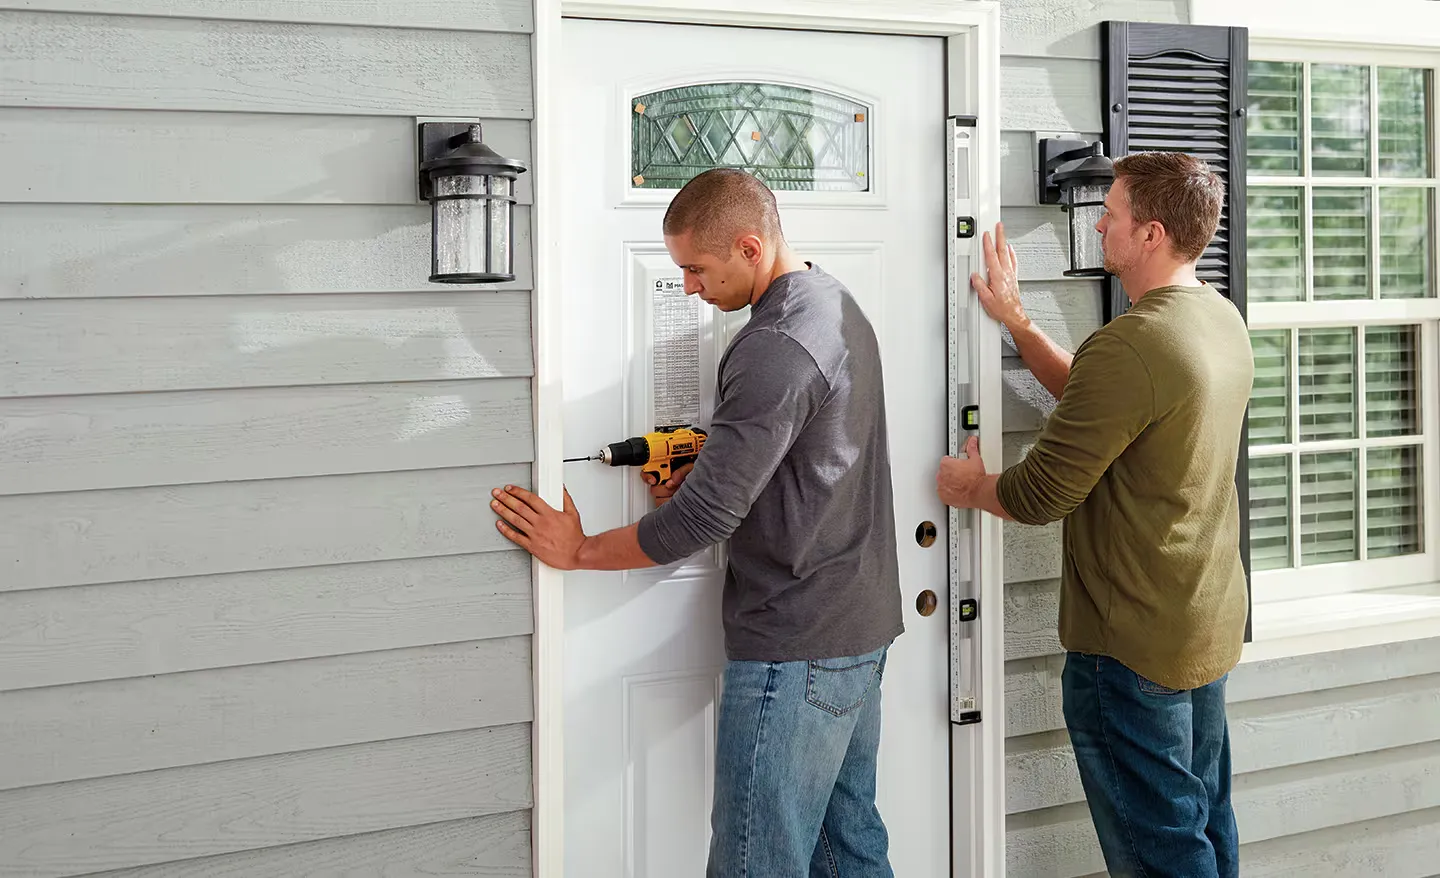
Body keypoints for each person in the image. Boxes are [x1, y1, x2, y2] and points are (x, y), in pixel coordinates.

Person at [490, 168, 904, 877]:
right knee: (848, 850)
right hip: (855, 631)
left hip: (795, 648)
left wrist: (580, 548)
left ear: (749, 246)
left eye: (695, 269)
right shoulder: (832, 303)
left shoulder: (775, 344)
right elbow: (812, 450)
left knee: (754, 862)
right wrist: (721, 461)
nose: (687, 287)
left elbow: (704, 519)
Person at [936, 152, 1251, 878]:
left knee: (1161, 853)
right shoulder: (1215, 320)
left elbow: (1041, 494)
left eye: (1110, 213)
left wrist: (970, 485)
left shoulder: (1136, 343)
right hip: (1200, 623)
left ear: (1151, 234)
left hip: (1132, 646)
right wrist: (1016, 321)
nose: (1098, 223)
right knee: (1202, 823)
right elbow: (1101, 396)